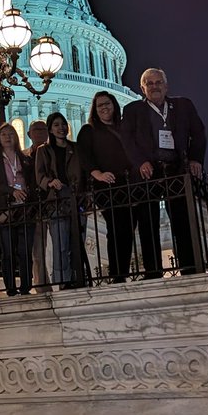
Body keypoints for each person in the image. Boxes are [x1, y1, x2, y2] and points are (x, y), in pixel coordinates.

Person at [121, 68, 206, 275]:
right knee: (148, 223)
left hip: (176, 168)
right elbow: (127, 140)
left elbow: (198, 133)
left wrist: (195, 159)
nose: (154, 87)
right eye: (149, 84)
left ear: (166, 86)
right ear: (142, 88)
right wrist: (140, 162)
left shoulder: (183, 105)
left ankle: (190, 267)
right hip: (149, 171)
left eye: (158, 82)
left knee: (182, 220)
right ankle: (153, 271)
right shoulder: (133, 110)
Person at [77, 91, 149, 281]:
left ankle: (122, 271)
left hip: (129, 184)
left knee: (128, 228)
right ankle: (117, 273)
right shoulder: (89, 130)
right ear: (94, 109)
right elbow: (84, 156)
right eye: (100, 105)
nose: (104, 108)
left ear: (114, 105)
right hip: (107, 186)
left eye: (107, 104)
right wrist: (97, 174)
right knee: (116, 228)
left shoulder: (124, 127)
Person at [35, 111, 85, 289]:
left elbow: (84, 171)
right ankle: (63, 282)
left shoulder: (76, 148)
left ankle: (79, 278)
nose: (61, 128)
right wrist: (49, 182)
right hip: (56, 200)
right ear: (50, 129)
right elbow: (39, 175)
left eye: (63, 124)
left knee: (77, 243)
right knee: (60, 245)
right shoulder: (43, 150)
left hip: (76, 199)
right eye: (56, 125)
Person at [0, 123, 34, 297]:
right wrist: (12, 191)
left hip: (25, 208)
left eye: (11, 133)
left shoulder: (26, 159)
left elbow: (32, 181)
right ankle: (11, 287)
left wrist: (26, 194)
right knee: (7, 250)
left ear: (17, 137)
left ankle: (26, 286)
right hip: (5, 208)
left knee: (25, 250)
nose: (7, 137)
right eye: (3, 134)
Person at [25, 119, 52, 292]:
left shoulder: (54, 152)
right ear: (29, 134)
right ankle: (42, 285)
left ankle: (64, 281)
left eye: (43, 129)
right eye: (36, 130)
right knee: (38, 250)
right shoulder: (24, 157)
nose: (40, 132)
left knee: (61, 246)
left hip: (53, 202)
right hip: (34, 207)